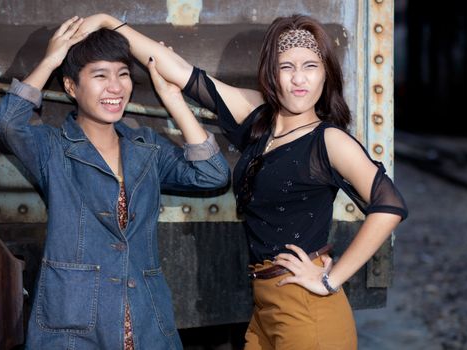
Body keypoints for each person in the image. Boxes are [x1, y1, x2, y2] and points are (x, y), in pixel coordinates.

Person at [79, 13, 408, 349]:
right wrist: (109, 23)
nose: (299, 79)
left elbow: (390, 205)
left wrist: (330, 279)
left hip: (307, 310)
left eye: (311, 66)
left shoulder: (329, 140)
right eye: (286, 67)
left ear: (326, 75)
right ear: (272, 73)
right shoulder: (258, 117)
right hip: (265, 306)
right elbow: (177, 69)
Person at [0, 17, 229, 350]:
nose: (115, 87)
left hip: (146, 320)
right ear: (72, 87)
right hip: (75, 325)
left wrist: (173, 99)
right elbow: (7, 121)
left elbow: (212, 174)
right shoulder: (53, 149)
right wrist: (50, 60)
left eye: (123, 74)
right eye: (100, 75)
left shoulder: (146, 148)